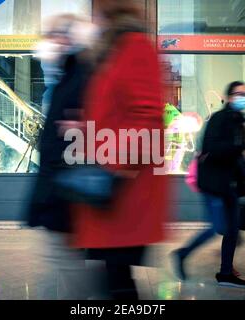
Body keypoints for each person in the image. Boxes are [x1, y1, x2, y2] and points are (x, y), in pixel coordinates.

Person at [69, 1, 169, 300]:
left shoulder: (135, 47)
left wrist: (112, 168)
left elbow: (148, 118)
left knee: (117, 278)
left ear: (113, 16)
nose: (95, 21)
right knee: (113, 274)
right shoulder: (112, 52)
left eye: (100, 15)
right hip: (110, 186)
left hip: (122, 190)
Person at [27, 15, 97, 299]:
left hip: (68, 190)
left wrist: (81, 128)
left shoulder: (80, 77)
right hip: (61, 188)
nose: (49, 42)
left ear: (70, 39)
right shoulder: (64, 78)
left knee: (70, 265)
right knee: (68, 263)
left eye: (55, 35)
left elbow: (88, 132)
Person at [172, 81, 245, 288]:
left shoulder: (239, 121)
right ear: (230, 97)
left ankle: (225, 273)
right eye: (240, 94)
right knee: (218, 227)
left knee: (232, 229)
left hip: (229, 184)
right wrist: (240, 150)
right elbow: (211, 149)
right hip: (213, 183)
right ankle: (182, 253)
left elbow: (242, 155)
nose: (244, 99)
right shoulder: (219, 119)